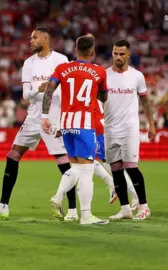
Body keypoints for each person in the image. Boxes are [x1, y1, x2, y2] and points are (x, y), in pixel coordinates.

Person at [0, 28, 71, 218]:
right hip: (33, 117)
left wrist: (64, 116)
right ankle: (3, 205)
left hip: (54, 116)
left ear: (46, 39)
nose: (30, 41)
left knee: (63, 161)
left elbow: (67, 89)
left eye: (34, 37)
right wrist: (38, 90)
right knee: (12, 155)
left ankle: (72, 209)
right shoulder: (28, 63)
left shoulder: (61, 60)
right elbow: (25, 95)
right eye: (30, 37)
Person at [43, 34, 109, 225]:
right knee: (87, 171)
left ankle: (58, 196)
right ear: (93, 52)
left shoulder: (63, 68)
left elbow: (49, 90)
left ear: (75, 50)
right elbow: (104, 98)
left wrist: (45, 117)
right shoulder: (99, 71)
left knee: (76, 167)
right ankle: (86, 216)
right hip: (85, 124)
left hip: (66, 125)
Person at [105, 40, 154, 220]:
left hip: (130, 129)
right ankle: (125, 208)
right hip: (110, 129)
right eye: (115, 53)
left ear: (128, 55)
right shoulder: (104, 75)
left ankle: (144, 207)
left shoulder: (137, 76)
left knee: (132, 168)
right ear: (112, 53)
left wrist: (151, 124)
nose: (118, 57)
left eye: (122, 54)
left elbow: (145, 102)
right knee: (116, 170)